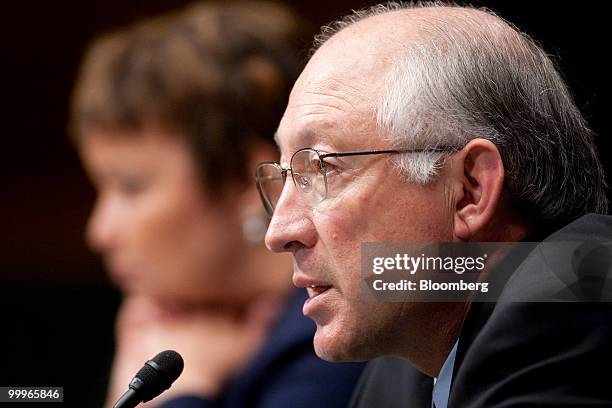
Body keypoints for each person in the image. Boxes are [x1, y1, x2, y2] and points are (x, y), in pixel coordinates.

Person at [256, 2, 612, 407]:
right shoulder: (403, 373)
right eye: (285, 176)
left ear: (470, 191)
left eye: (323, 169)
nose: (278, 232)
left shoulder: (573, 299)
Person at [71, 2, 363, 407]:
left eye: (131, 187)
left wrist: (180, 393)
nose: (99, 232)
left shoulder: (339, 350)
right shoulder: (189, 329)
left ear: (247, 181)